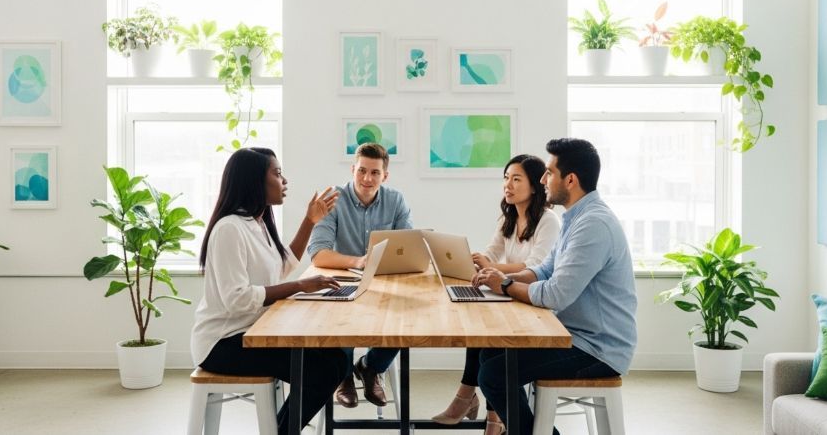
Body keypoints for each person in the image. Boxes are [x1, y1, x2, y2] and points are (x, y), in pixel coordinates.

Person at [473, 138, 638, 435]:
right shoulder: (576, 218)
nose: (543, 178)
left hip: (597, 348)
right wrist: (494, 277)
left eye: (549, 172)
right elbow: (544, 270)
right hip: (574, 335)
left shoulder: (593, 225)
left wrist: (506, 284)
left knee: (494, 374)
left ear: (571, 180)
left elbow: (555, 293)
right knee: (489, 354)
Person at [190, 147, 345, 434]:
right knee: (321, 370)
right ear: (253, 181)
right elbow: (237, 300)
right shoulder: (229, 229)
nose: (284, 180)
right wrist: (299, 286)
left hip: (252, 334)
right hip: (222, 343)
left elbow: (281, 267)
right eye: (277, 173)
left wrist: (310, 221)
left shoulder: (258, 224)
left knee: (337, 358)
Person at [431, 154, 561, 434]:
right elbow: (492, 251)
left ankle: (474, 405)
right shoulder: (510, 216)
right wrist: (475, 262)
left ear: (535, 185)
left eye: (516, 179)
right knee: (479, 323)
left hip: (533, 302)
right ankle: (485, 413)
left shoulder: (548, 221)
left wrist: (493, 270)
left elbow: (538, 266)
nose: (508, 185)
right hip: (511, 296)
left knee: (491, 340)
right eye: (506, 178)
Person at [307, 142, 412, 409]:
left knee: (405, 319)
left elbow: (408, 248)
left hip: (383, 284)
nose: (367, 178)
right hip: (342, 282)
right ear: (353, 169)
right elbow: (318, 253)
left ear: (384, 176)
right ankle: (343, 376)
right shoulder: (334, 199)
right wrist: (359, 262)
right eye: (362, 171)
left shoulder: (395, 200)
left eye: (375, 173)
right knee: (338, 317)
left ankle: (370, 367)